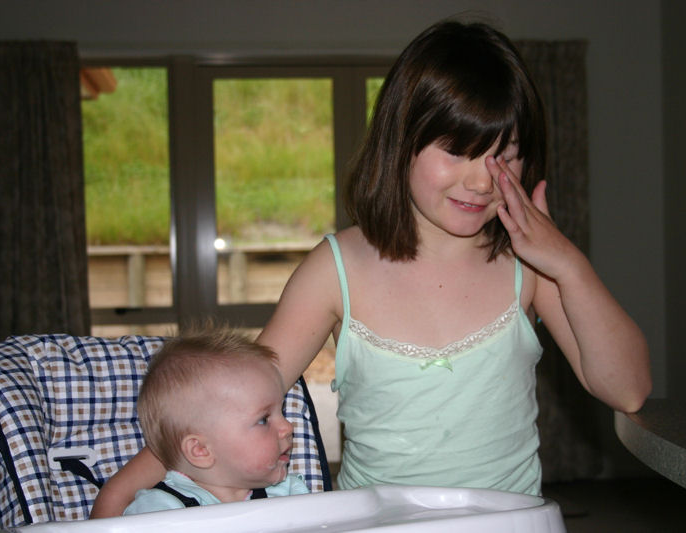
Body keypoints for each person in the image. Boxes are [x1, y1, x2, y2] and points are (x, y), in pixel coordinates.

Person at [92, 19, 650, 516]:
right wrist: (117, 495)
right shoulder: (335, 268)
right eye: (457, 150)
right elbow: (231, 400)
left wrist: (567, 263)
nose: (483, 180)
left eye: (504, 154)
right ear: (402, 142)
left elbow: (627, 391)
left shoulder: (532, 268)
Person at [121, 328, 309, 515]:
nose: (287, 427)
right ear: (201, 450)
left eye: (281, 411)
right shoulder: (157, 512)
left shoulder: (290, 495)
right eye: (263, 420)